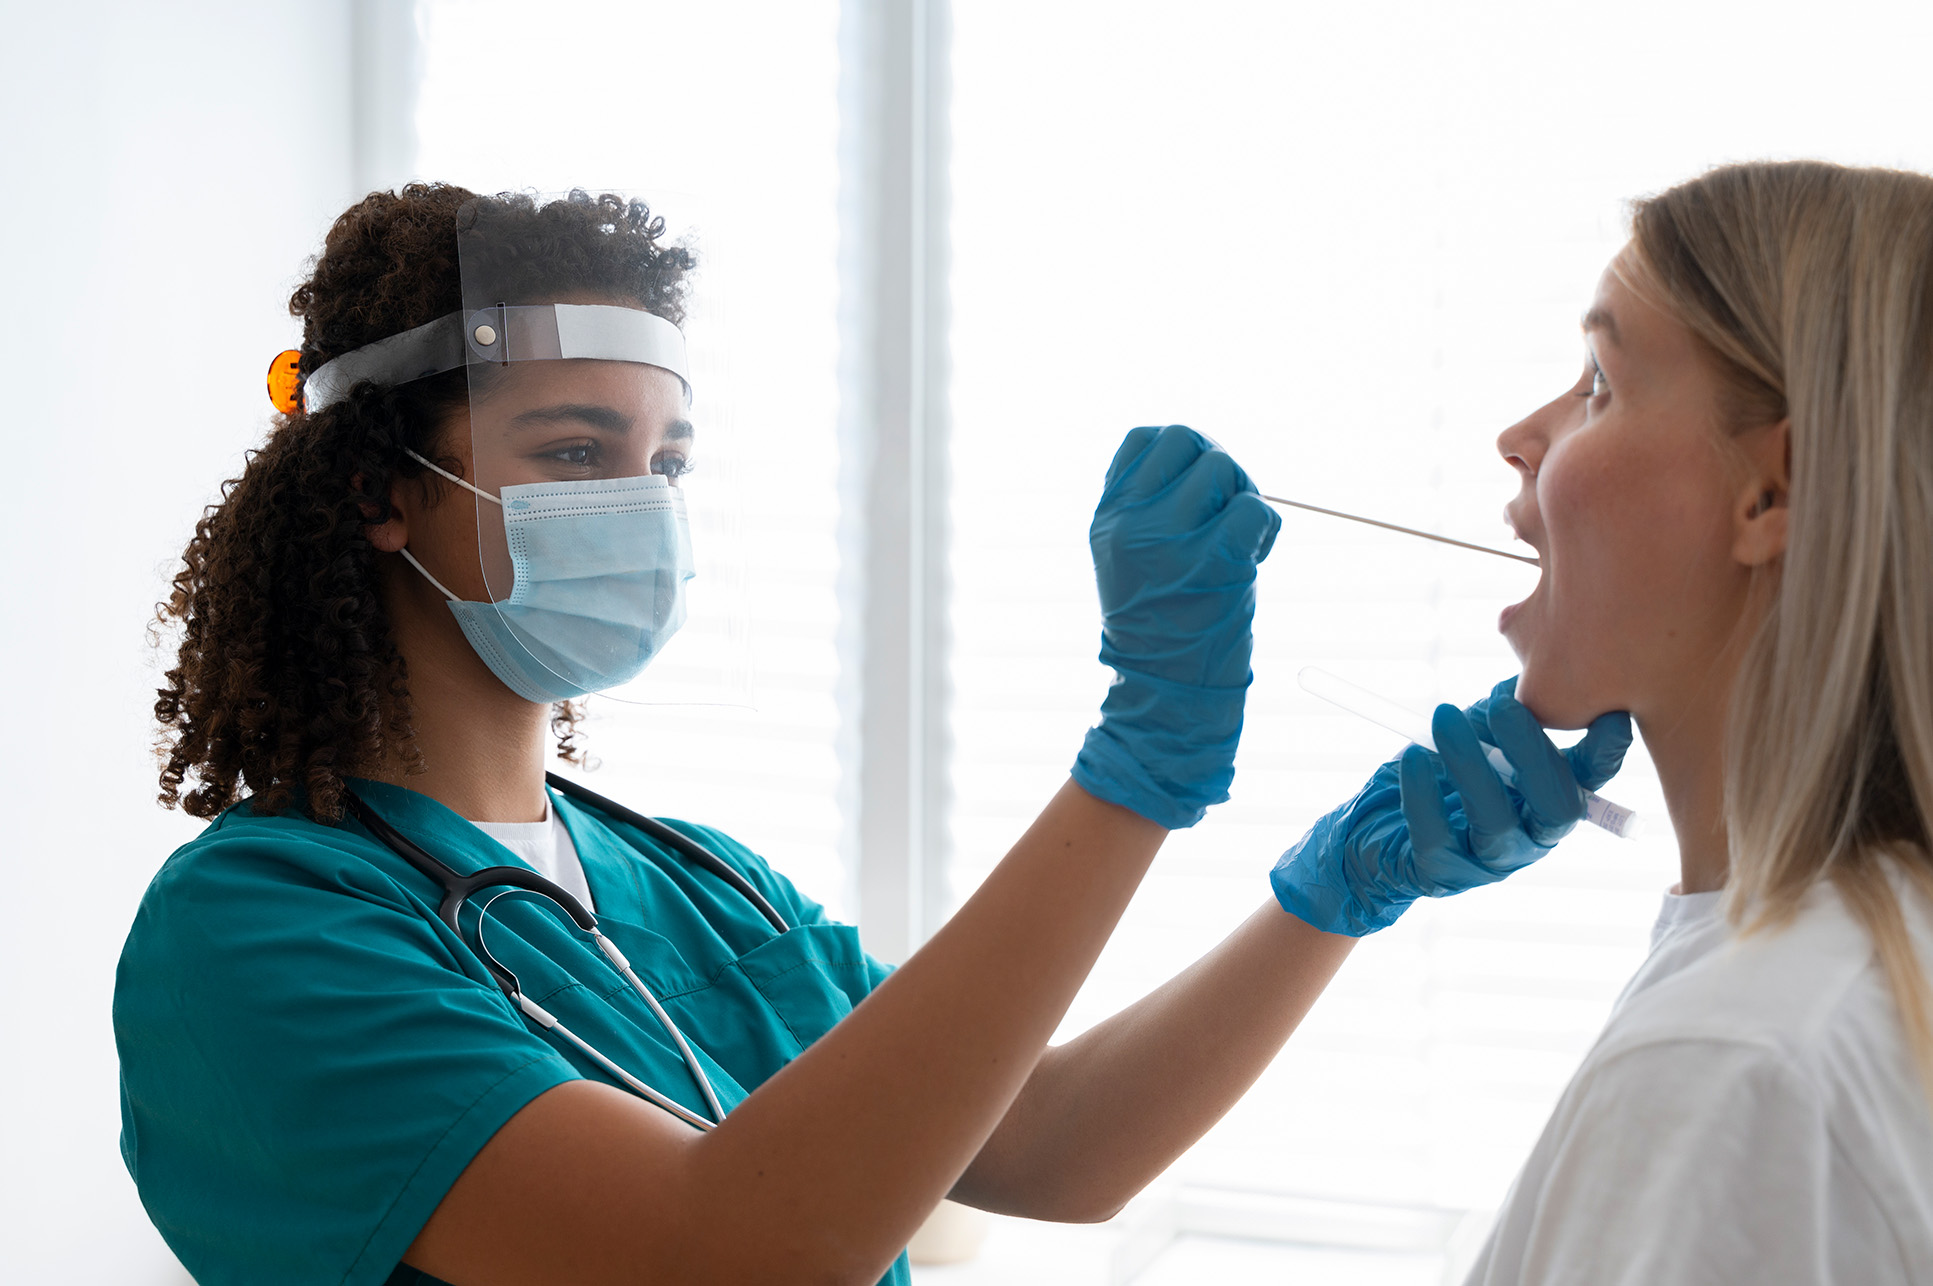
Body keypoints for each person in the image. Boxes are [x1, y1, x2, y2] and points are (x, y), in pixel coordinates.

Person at [115, 184, 1620, 1286]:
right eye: (576, 452)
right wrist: (1139, 761)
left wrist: (1331, 897)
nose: (642, 505)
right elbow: (731, 1247)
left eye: (668, 459)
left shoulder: (695, 884)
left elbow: (1044, 1144)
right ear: (383, 489)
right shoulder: (256, 933)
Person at [1444, 161, 1933, 1284]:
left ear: (1776, 491)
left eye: (1600, 385)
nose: (1522, 436)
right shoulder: (1821, 982)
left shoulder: (1738, 1064)